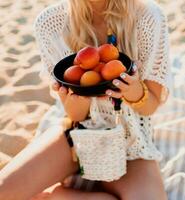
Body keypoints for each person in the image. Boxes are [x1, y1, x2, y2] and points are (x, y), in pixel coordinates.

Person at [0, 0, 170, 199]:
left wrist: (133, 91)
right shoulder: (50, 23)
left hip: (131, 145)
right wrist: (77, 98)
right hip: (76, 137)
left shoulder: (149, 17)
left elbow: (151, 104)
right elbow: (75, 115)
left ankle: (55, 197)